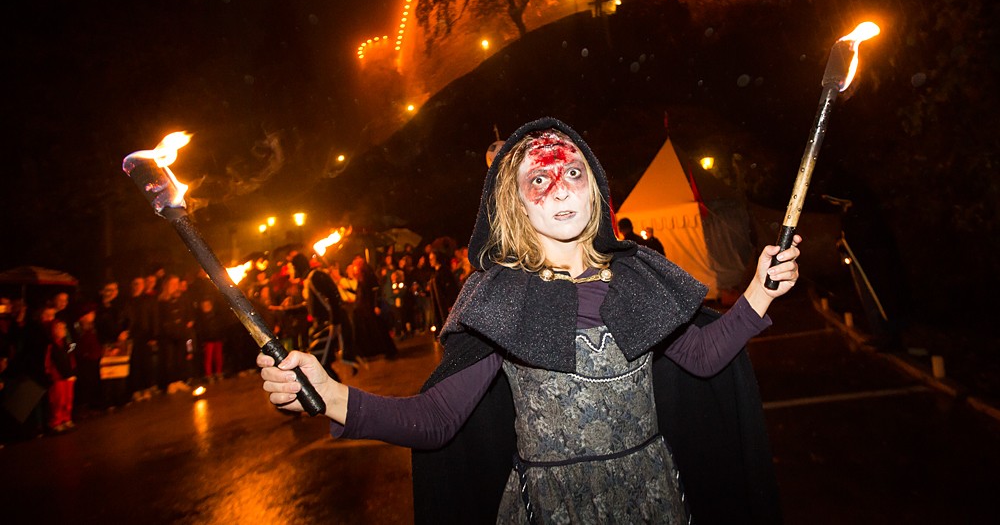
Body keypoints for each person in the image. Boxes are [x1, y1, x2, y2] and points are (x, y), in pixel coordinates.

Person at [258, 118, 800, 524]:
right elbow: (437, 418)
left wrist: (759, 290)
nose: (561, 188)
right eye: (539, 179)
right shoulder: (501, 296)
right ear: (516, 203)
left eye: (573, 172)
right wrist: (332, 396)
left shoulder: (637, 276)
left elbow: (702, 357)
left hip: (650, 497)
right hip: (552, 507)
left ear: (596, 188)